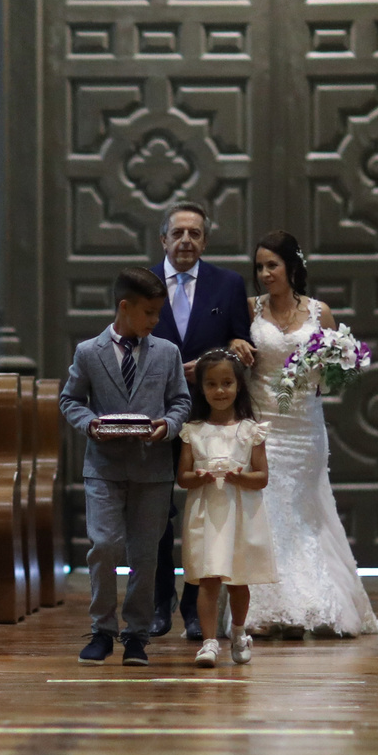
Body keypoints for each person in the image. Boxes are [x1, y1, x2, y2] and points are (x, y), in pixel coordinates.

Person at [241, 231, 378, 638]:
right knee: (268, 510)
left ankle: (314, 603)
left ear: (291, 266)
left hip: (303, 427)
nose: (265, 274)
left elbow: (337, 369)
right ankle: (271, 606)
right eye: (260, 266)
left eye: (272, 265)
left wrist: (331, 372)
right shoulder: (249, 309)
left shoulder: (320, 312)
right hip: (264, 422)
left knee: (302, 511)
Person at [58, 266, 191, 666]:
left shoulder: (167, 352)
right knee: (104, 545)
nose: (155, 321)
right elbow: (70, 401)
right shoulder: (88, 352)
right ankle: (102, 629)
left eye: (158, 314)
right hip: (104, 466)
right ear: (124, 307)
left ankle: (137, 634)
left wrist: (167, 427)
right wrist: (90, 425)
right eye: (149, 313)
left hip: (152, 469)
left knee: (145, 553)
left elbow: (181, 403)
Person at [145, 202, 254, 642]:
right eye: (178, 233)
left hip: (209, 415)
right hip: (157, 412)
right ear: (164, 240)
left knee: (204, 510)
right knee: (156, 513)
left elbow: (241, 343)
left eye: (194, 233)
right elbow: (130, 339)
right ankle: (157, 604)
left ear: (204, 240)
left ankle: (195, 610)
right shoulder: (146, 282)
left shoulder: (226, 284)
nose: (186, 240)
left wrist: (215, 361)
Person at [177, 349, 274, 668]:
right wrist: (200, 476)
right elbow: (183, 477)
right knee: (208, 578)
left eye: (227, 383)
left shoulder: (250, 430)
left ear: (238, 386)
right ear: (202, 389)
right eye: (212, 384)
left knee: (238, 578)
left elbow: (261, 477)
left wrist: (238, 476)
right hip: (206, 513)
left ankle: (238, 631)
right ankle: (208, 642)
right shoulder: (192, 430)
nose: (220, 391)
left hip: (240, 513)